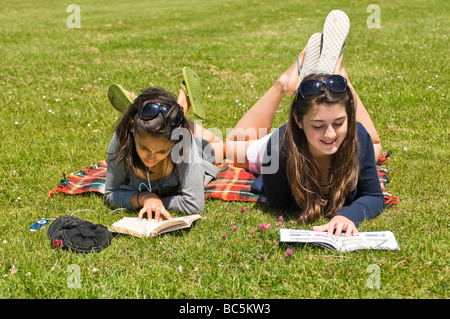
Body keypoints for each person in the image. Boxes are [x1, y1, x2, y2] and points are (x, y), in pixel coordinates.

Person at [223, 11, 385, 237]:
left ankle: (340, 78)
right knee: (227, 148)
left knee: (373, 146)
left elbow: (374, 197)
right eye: (318, 125)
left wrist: (348, 214)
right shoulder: (276, 152)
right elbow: (281, 203)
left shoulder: (357, 136)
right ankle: (284, 83)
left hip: (335, 138)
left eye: (339, 122)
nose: (329, 134)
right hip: (276, 146)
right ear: (298, 120)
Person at [104, 85, 220, 222]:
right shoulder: (122, 139)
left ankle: (178, 108)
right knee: (168, 123)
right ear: (132, 128)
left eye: (162, 151)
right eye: (144, 148)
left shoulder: (183, 142)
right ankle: (173, 111)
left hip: (203, 151)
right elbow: (110, 194)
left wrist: (157, 202)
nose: (151, 157)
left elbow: (194, 205)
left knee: (222, 148)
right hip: (166, 132)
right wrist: (145, 198)